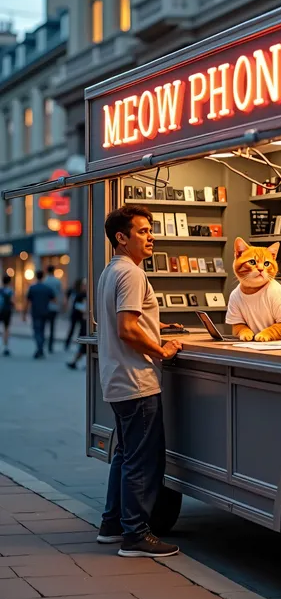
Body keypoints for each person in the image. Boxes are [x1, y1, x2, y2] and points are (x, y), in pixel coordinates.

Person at [96, 204, 183, 558]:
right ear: (122, 237)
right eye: (143, 231)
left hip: (117, 379)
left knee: (125, 454)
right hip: (137, 379)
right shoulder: (132, 274)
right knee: (142, 460)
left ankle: (113, 524)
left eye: (150, 230)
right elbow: (127, 328)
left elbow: (128, 319)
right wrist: (162, 350)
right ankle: (135, 535)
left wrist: (157, 326)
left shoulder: (111, 271)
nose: (151, 237)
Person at [23, 271, 55, 359]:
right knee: (42, 330)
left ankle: (39, 348)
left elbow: (27, 302)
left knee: (37, 331)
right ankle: (40, 348)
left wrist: (24, 314)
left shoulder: (32, 288)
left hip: (36, 312)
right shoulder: (47, 288)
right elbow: (54, 299)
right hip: (45, 312)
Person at [66, 279, 87, 370]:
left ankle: (75, 362)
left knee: (84, 345)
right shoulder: (79, 294)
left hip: (85, 323)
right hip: (81, 321)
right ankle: (74, 362)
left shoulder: (85, 295)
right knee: (84, 346)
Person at [44, 265, 63, 353]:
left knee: (43, 326)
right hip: (54, 307)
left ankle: (43, 342)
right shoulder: (57, 281)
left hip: (45, 306)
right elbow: (60, 294)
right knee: (52, 327)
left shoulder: (44, 281)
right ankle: (50, 345)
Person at [64, 278, 85, 350]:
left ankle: (77, 344)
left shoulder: (80, 292)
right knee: (74, 329)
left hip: (77, 313)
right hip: (77, 313)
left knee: (78, 329)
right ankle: (69, 343)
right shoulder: (78, 293)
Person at [0, 275, 14, 357]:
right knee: (6, 328)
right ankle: (6, 347)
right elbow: (13, 301)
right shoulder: (10, 291)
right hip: (7, 312)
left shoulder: (0, 290)